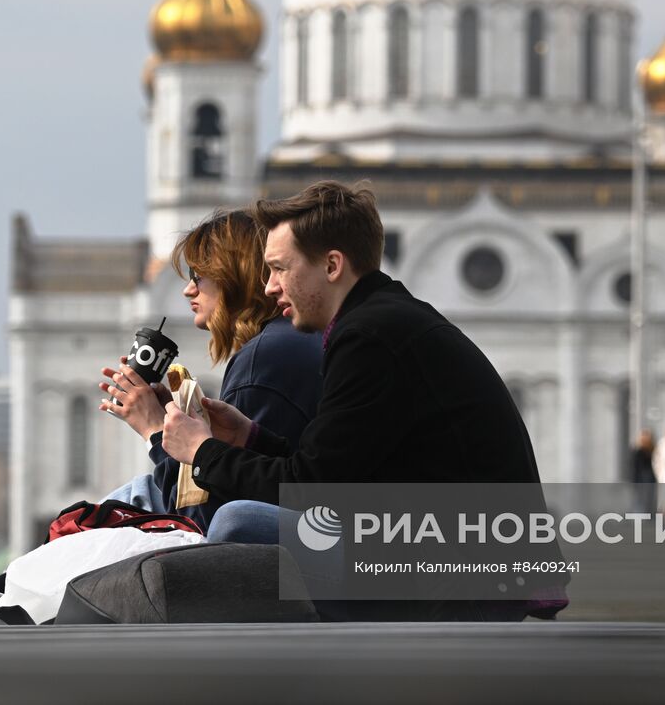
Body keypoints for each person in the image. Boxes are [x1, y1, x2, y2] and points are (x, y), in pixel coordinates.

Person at [160, 181, 557, 620]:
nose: (269, 287)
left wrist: (203, 452)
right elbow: (338, 476)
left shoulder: (368, 337)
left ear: (332, 265)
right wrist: (249, 436)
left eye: (279, 269)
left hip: (460, 580)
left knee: (238, 523)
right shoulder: (384, 320)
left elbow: (311, 490)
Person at [98, 209, 322, 532]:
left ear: (233, 278)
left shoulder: (262, 362)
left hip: (287, 560)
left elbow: (202, 521)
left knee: (133, 501)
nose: (188, 290)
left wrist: (156, 432)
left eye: (198, 276)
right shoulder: (293, 341)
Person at [630, 428, 656, 515]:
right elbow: (634, 467)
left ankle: (649, 514)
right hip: (640, 479)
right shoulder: (637, 452)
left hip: (650, 479)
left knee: (650, 498)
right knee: (639, 498)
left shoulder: (653, 450)